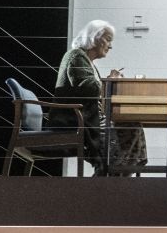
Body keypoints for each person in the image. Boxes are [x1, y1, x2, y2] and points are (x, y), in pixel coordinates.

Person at [50, 20, 148, 176]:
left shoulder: (89, 63)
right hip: (75, 121)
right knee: (128, 131)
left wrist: (108, 82)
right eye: (108, 39)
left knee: (133, 126)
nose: (110, 46)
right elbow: (90, 89)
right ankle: (106, 179)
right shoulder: (76, 56)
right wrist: (111, 80)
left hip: (89, 119)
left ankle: (111, 178)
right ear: (94, 37)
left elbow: (95, 93)